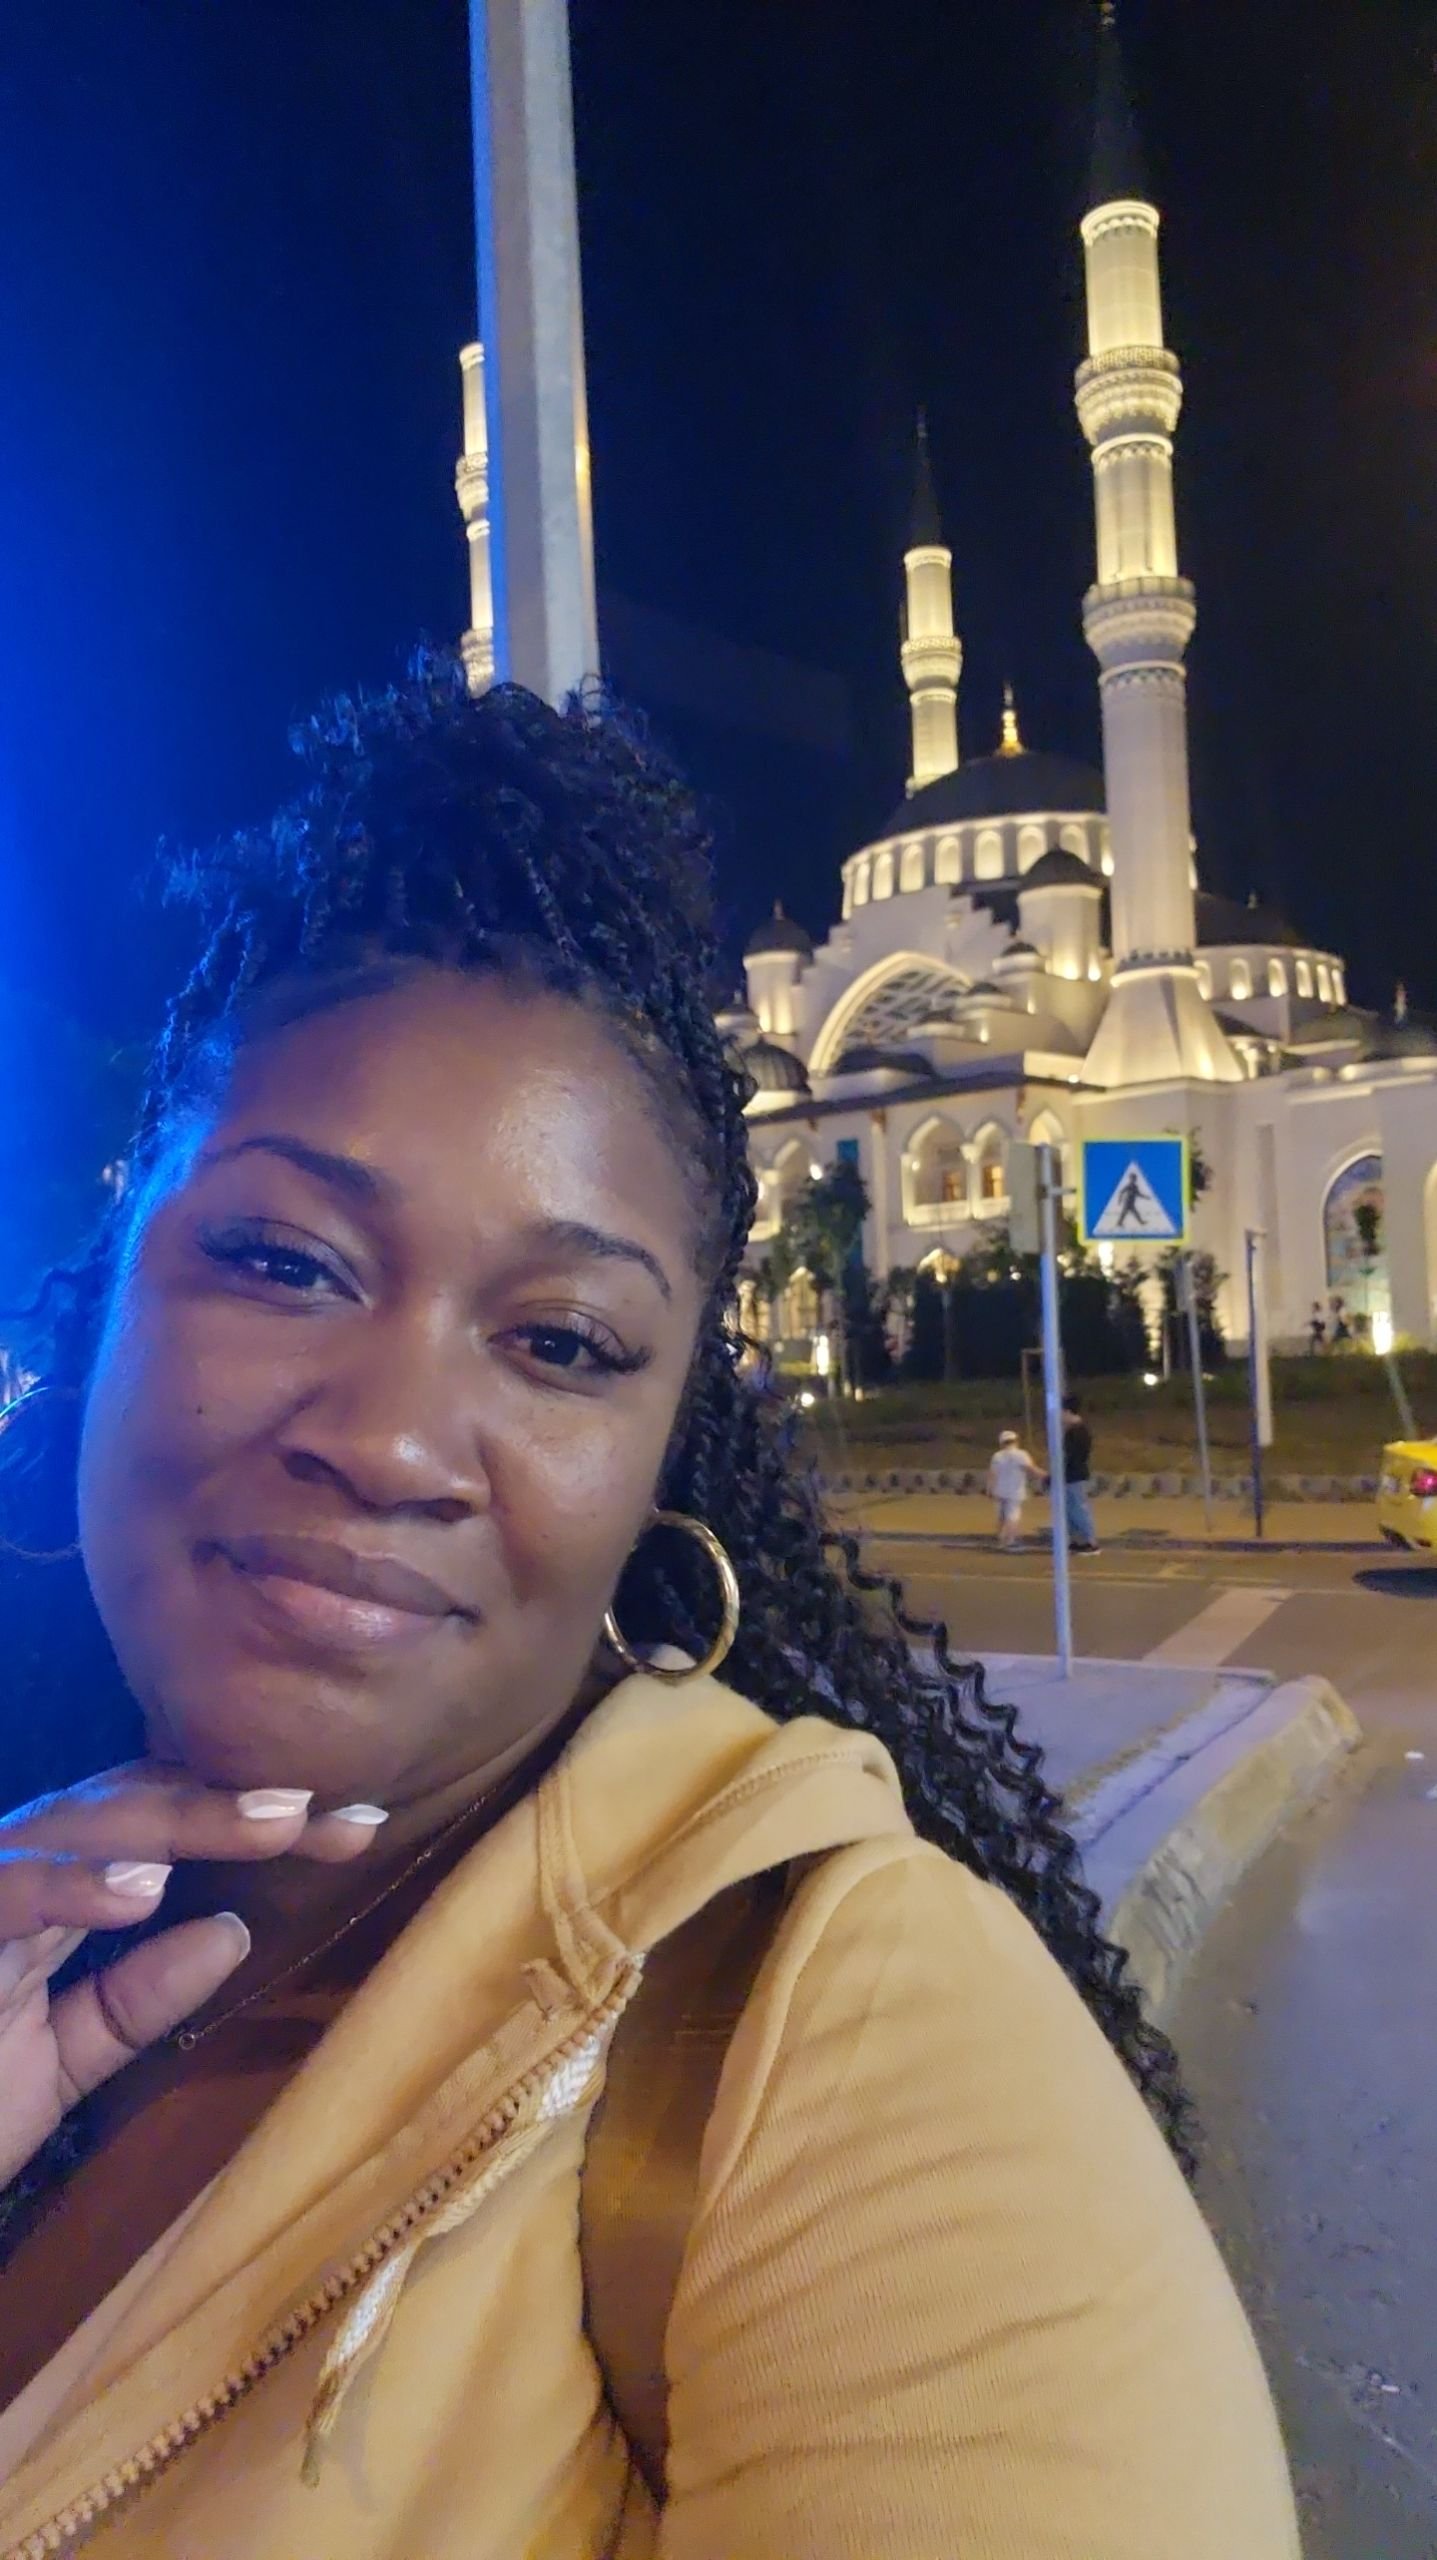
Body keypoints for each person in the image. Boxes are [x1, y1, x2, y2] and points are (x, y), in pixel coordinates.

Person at [0, 663, 1298, 2556]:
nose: (389, 1441)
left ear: (666, 1447)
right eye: (283, 1260)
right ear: (112, 1277)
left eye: (560, 1341)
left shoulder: (844, 2031)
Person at [986, 1427, 1041, 1551]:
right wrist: (1045, 1476)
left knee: (1001, 1516)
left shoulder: (997, 1456)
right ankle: (1011, 1541)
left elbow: (992, 1474)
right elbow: (1030, 1468)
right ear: (1015, 1441)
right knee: (1013, 1516)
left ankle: (1000, 1540)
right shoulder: (1021, 1454)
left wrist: (989, 1489)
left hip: (999, 1490)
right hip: (1015, 1491)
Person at [1062, 1393, 1100, 1555]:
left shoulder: (1077, 1432)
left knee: (1078, 1509)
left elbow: (1072, 1457)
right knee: (1071, 1510)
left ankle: (1090, 1542)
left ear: (1067, 1412)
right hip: (1071, 1475)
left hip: (1075, 1475)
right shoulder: (1075, 1430)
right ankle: (1078, 1541)